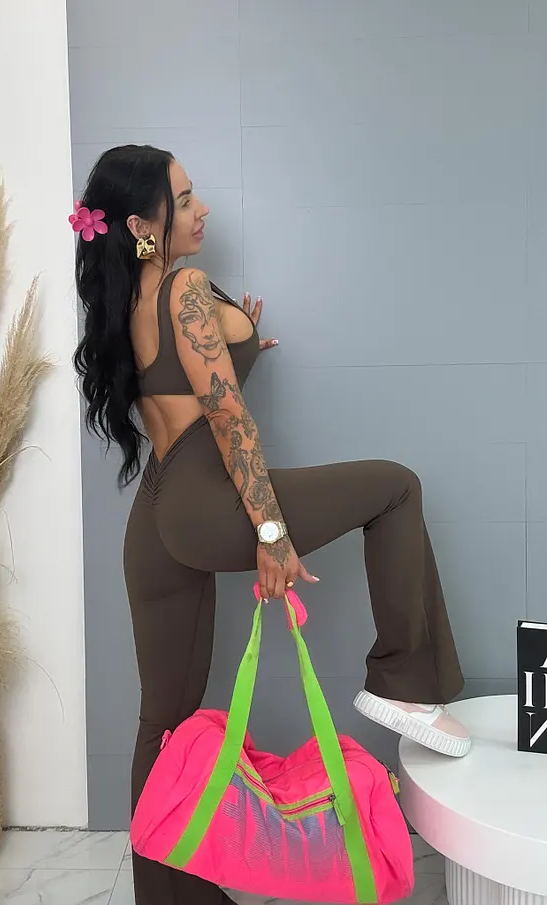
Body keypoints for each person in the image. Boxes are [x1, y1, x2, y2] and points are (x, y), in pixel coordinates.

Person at [72, 145, 469, 905]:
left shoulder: (126, 296)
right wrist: (270, 534)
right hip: (206, 497)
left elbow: (180, 386)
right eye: (184, 200)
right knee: (396, 488)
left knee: (162, 719)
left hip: (154, 516)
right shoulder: (187, 288)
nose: (202, 209)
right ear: (142, 225)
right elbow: (226, 419)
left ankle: (167, 897)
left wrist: (241, 343)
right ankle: (403, 683)